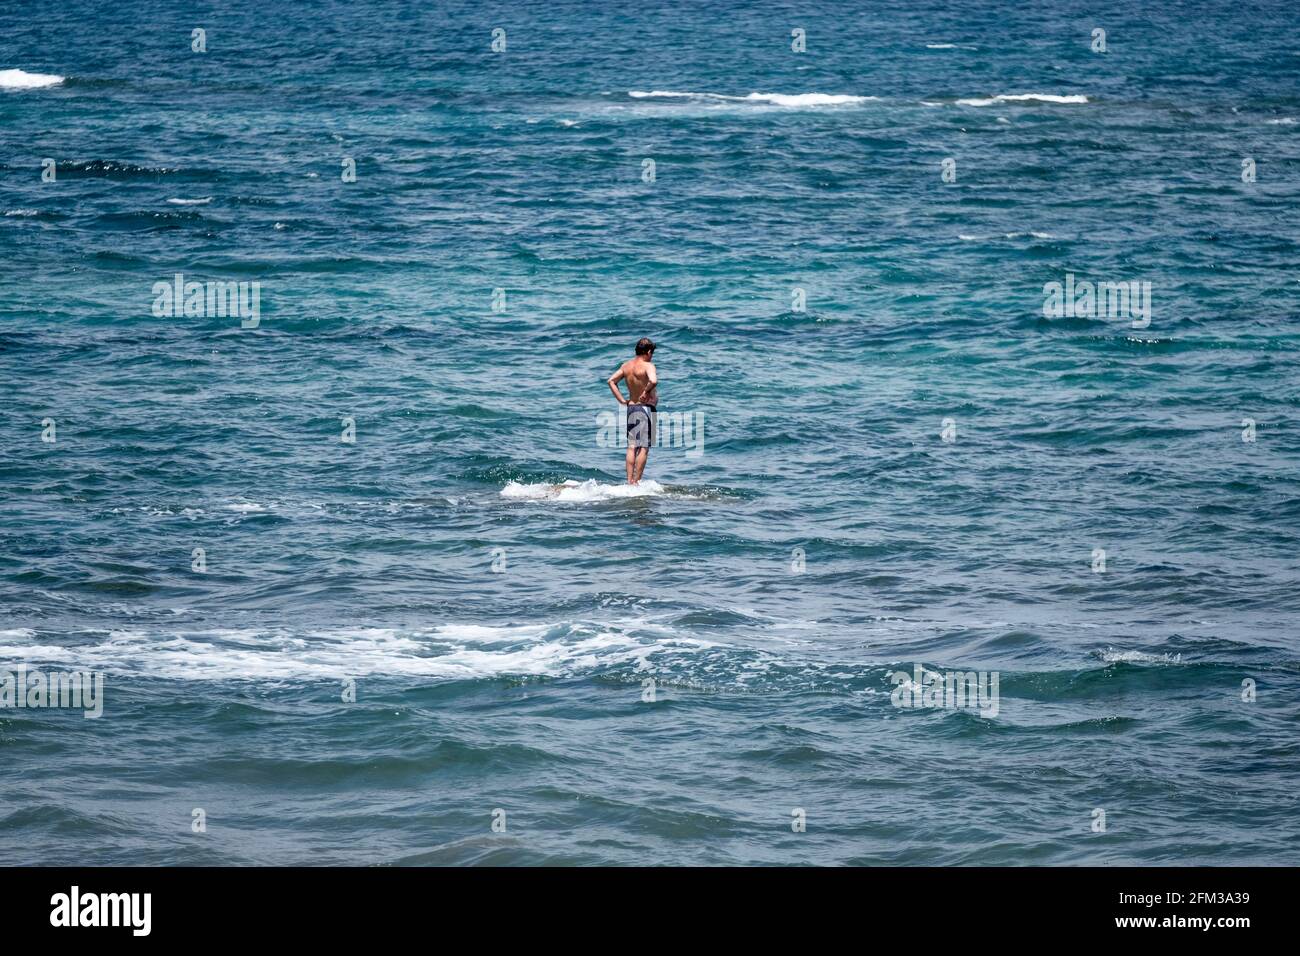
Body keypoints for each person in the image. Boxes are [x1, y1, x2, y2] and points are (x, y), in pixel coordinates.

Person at [606, 337, 658, 485]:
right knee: (644, 447)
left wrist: (622, 401)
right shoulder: (648, 366)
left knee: (632, 446)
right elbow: (653, 381)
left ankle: (629, 481)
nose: (651, 356)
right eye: (651, 353)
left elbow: (611, 381)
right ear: (648, 352)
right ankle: (637, 482)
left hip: (632, 408)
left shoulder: (626, 366)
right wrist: (646, 392)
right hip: (646, 408)